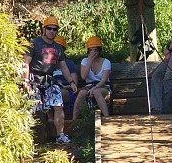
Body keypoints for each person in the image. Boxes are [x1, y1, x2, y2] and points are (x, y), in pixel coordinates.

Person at [23, 16, 78, 145]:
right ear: (44, 29)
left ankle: (60, 135)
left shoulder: (58, 48)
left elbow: (63, 67)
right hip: (34, 78)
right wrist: (26, 81)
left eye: (55, 29)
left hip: (49, 78)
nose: (52, 31)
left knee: (58, 105)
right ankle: (29, 138)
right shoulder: (34, 43)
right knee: (33, 108)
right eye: (49, 28)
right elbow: (26, 62)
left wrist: (71, 82)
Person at [72, 36, 112, 120]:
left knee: (96, 92)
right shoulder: (85, 61)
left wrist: (94, 88)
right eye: (91, 50)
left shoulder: (106, 62)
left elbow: (104, 81)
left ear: (99, 50)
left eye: (95, 50)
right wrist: (89, 61)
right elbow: (83, 77)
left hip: (102, 87)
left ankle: (107, 118)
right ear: (88, 51)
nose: (93, 52)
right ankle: (74, 121)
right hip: (88, 86)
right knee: (81, 94)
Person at [52, 36, 78, 117]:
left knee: (57, 94)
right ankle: (50, 120)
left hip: (66, 90)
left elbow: (75, 82)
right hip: (51, 89)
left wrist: (65, 86)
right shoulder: (48, 63)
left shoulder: (69, 63)